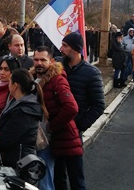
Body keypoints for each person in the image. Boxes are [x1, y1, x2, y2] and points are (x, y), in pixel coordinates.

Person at [58, 32, 104, 189]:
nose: (61, 48)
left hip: (73, 133)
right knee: (58, 177)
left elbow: (98, 105)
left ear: (76, 49)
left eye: (65, 46)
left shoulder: (92, 73)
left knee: (76, 176)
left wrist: (79, 126)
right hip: (55, 130)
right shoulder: (57, 67)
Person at [31, 46, 82, 190]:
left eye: (43, 60)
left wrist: (51, 126)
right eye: (36, 59)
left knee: (51, 180)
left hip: (54, 138)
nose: (39, 63)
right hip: (37, 137)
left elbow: (71, 107)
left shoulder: (57, 80)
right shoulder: (32, 78)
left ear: (51, 61)